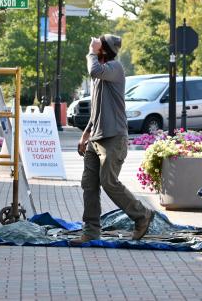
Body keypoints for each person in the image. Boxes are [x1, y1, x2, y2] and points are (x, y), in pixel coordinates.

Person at [69, 34, 154, 246]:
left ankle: (141, 215)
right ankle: (90, 231)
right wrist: (85, 134)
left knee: (109, 181)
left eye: (99, 44)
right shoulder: (100, 73)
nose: (95, 45)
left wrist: (91, 50)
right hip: (95, 138)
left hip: (114, 137)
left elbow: (93, 69)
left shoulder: (114, 68)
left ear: (104, 49)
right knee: (89, 184)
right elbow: (97, 108)